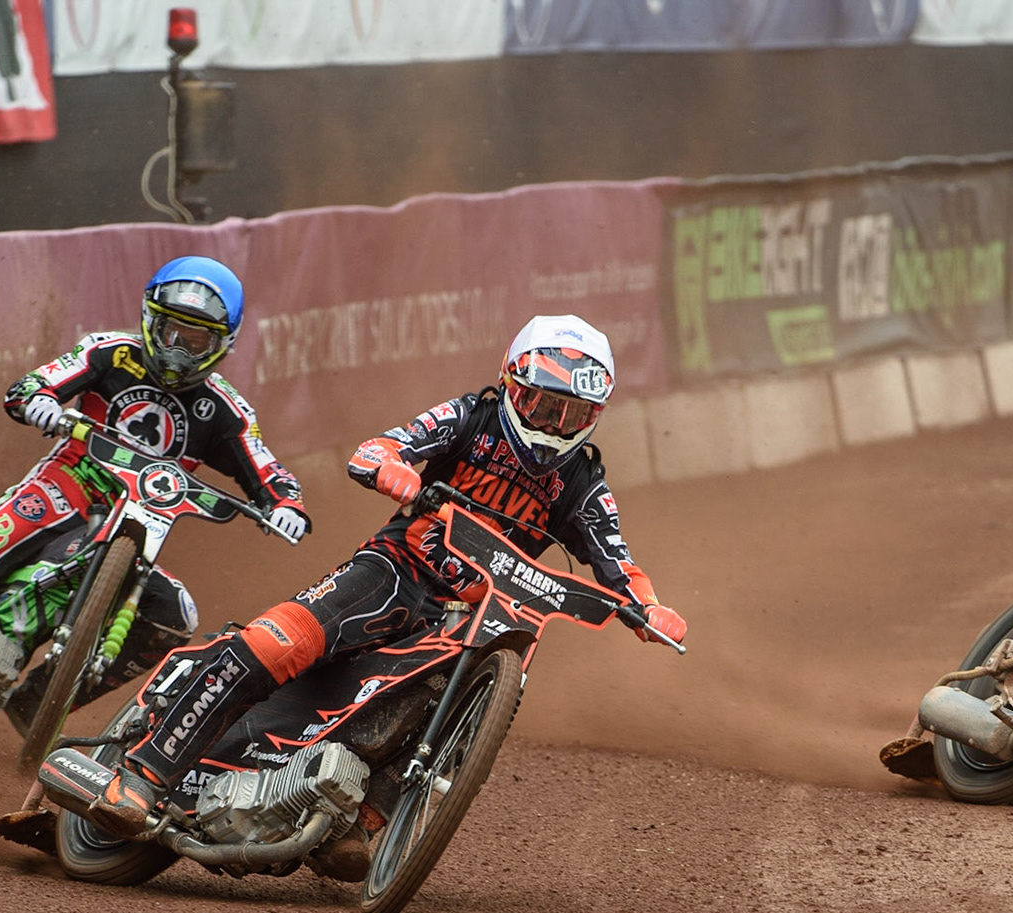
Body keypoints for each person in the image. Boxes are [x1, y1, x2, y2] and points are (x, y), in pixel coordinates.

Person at [38, 314, 687, 880]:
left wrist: (649, 609)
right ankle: (143, 773)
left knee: (494, 690)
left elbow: (618, 564)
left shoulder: (582, 483)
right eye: (546, 406)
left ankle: (365, 820)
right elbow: (379, 448)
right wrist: (395, 470)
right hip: (393, 574)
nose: (557, 425)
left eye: (575, 414)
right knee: (274, 641)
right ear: (515, 386)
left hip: (473, 616)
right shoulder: (471, 416)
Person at [0, 256, 310, 731]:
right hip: (63, 486)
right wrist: (40, 401)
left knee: (175, 613)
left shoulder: (225, 410)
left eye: (195, 340)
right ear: (150, 321)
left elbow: (266, 469)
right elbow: (32, 385)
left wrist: (286, 505)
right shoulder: (109, 353)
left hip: (136, 520)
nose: (178, 350)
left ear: (224, 343)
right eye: (171, 331)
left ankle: (36, 703)